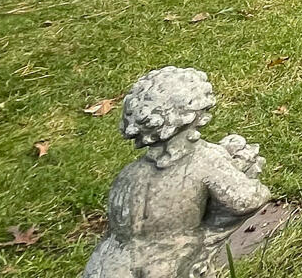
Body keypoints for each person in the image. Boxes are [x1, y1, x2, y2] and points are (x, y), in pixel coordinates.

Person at [83, 67, 272, 278]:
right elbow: (247, 200)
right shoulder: (203, 160)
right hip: (166, 266)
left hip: (105, 265)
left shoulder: (128, 175)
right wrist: (210, 231)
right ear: (196, 114)